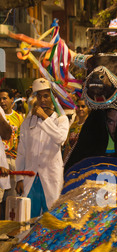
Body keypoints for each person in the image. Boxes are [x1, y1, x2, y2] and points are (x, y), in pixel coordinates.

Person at [15, 78, 70, 218]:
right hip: (30, 178)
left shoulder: (61, 119)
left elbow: (60, 138)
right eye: (39, 96)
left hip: (51, 176)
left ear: (53, 98)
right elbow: (21, 152)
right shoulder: (28, 122)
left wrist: (45, 118)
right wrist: (19, 178)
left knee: (51, 217)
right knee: (27, 218)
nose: (42, 100)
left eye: (46, 96)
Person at [0, 88, 23, 218]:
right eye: (0, 99)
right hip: (0, 161)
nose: (2, 101)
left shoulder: (19, 118)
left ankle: (10, 229)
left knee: (11, 198)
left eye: (5, 98)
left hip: (13, 160)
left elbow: (21, 141)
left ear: (11, 100)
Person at [63, 99, 89, 164]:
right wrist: (64, 164)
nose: (80, 109)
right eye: (78, 106)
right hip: (72, 162)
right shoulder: (73, 126)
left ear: (88, 108)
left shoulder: (90, 126)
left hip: (84, 162)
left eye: (83, 106)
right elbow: (67, 147)